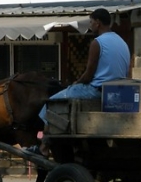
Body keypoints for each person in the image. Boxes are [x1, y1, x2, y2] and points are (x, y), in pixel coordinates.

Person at [38, 8, 130, 155]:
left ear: (98, 23)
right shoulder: (122, 42)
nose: (90, 25)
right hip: (116, 93)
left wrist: (76, 83)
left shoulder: (97, 43)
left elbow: (88, 75)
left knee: (50, 104)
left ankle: (45, 144)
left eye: (91, 22)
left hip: (95, 91)